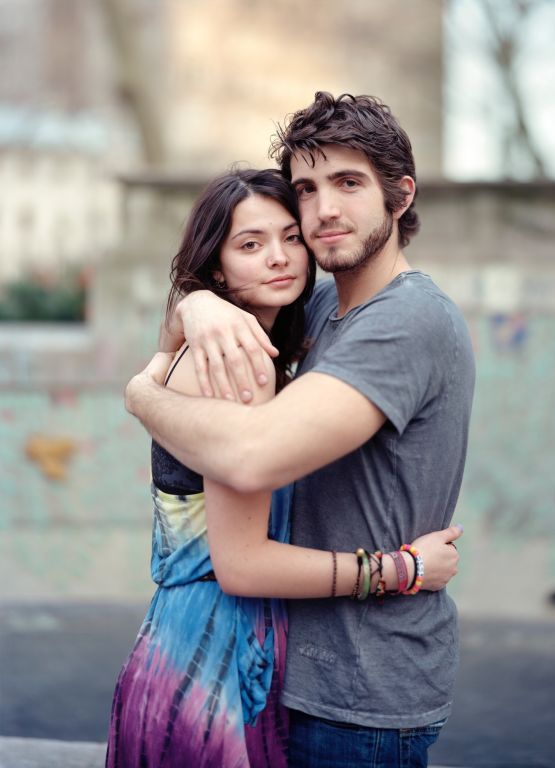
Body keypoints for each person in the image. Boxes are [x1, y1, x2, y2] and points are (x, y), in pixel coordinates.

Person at [125, 92, 475, 767]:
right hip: (282, 673)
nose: (322, 212)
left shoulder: (407, 321)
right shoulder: (313, 305)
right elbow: (226, 282)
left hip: (360, 693)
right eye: (307, 189)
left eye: (349, 183)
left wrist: (141, 393)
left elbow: (253, 459)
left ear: (400, 197)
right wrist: (194, 308)